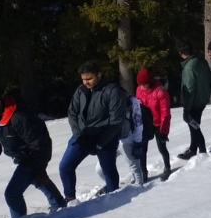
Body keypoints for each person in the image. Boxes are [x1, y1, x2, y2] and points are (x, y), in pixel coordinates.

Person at [0, 85, 66, 218]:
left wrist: (39, 168)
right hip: (25, 158)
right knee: (40, 181)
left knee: (12, 194)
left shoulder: (18, 118)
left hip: (32, 158)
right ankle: (61, 209)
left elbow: (39, 144)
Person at [59, 61, 127, 202]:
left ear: (99, 75)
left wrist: (100, 144)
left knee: (108, 169)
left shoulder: (112, 91)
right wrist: (79, 135)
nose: (85, 82)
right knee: (65, 166)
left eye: (89, 79)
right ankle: (70, 197)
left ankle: (114, 197)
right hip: (82, 136)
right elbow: (72, 113)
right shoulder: (81, 90)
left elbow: (116, 121)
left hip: (105, 137)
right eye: (83, 79)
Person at [95, 88, 145, 186]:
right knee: (100, 169)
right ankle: (111, 186)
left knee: (134, 167)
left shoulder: (132, 101)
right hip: (110, 141)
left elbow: (138, 123)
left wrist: (138, 142)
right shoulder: (104, 99)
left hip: (127, 139)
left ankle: (140, 189)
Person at [176, 39, 211, 159]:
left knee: (193, 125)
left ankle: (201, 150)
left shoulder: (188, 68)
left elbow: (190, 89)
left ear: (181, 53)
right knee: (194, 124)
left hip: (194, 102)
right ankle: (193, 148)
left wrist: (186, 108)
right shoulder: (201, 61)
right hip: (203, 98)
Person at [135, 68, 172, 182]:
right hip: (145, 124)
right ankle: (143, 172)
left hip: (158, 123)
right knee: (142, 149)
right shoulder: (139, 89)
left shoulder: (160, 91)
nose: (143, 86)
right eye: (141, 84)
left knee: (161, 146)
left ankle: (167, 167)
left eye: (145, 83)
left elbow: (165, 113)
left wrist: (163, 131)